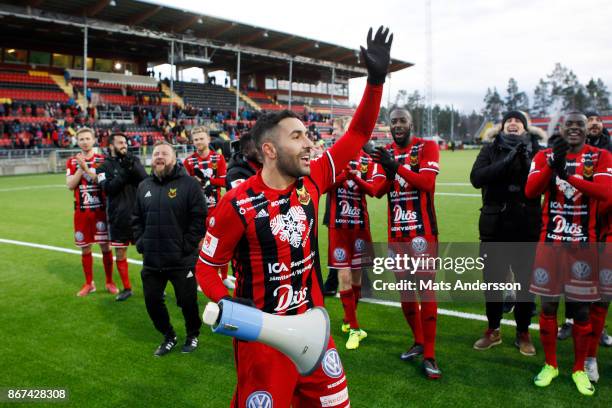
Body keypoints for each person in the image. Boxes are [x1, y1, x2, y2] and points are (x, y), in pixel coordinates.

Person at [195, 26, 391, 407]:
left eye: (308, 135)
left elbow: (359, 132)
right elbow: (206, 267)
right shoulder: (236, 203)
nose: (310, 143)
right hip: (264, 341)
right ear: (270, 149)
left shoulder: (313, 180)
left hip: (314, 330)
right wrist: (228, 303)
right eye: (298, 137)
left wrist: (376, 81)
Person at [525, 111, 612, 396]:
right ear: (561, 129)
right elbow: (530, 191)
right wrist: (553, 166)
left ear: (587, 131)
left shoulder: (600, 157)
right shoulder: (544, 156)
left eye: (580, 125)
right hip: (549, 244)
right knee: (548, 307)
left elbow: (607, 193)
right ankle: (550, 364)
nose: (574, 128)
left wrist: (568, 176)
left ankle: (578, 368)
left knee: (583, 310)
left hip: (583, 247)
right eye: (569, 125)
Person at [371, 107, 442, 379]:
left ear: (411, 124)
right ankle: (418, 340)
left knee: (426, 291)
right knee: (405, 292)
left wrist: (395, 166)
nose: (398, 125)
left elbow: (426, 183)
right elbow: (378, 191)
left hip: (423, 234)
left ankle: (431, 355)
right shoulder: (386, 152)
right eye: (394, 122)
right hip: (397, 234)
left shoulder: (427, 147)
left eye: (402, 121)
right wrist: (387, 168)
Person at [470, 111, 542, 356]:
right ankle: (493, 330)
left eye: (518, 121)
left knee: (525, 286)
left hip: (526, 228)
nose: (513, 123)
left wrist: (525, 159)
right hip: (495, 228)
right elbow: (476, 178)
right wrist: (506, 160)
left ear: (525, 128)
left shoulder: (537, 149)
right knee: (492, 283)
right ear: (501, 128)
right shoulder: (490, 150)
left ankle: (523, 332)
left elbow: (543, 180)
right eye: (509, 121)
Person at [132, 141, 206, 357]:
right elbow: (136, 218)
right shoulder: (144, 186)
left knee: (187, 302)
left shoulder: (190, 184)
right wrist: (141, 242)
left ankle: (192, 335)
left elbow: (199, 218)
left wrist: (187, 245)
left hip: (181, 259)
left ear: (174, 158)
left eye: (164, 153)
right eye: (156, 153)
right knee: (152, 302)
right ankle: (169, 335)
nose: (159, 156)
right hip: (152, 260)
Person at [558, 110, 611, 341]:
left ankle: (600, 328)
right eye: (590, 121)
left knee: (602, 281)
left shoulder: (608, 149)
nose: (594, 124)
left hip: (605, 221)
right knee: (577, 275)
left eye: (597, 120)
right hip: (578, 221)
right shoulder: (570, 148)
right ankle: (570, 320)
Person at [325, 149, 385, 350]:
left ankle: (347, 319)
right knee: (344, 276)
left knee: (357, 278)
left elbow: (375, 190)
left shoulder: (368, 161)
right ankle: (354, 328)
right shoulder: (334, 159)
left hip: (360, 226)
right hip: (338, 227)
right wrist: (343, 175)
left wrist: (355, 178)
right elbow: (324, 186)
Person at [95, 133, 147, 301]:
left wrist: (133, 167)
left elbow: (145, 180)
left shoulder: (134, 160)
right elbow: (108, 189)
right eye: (120, 142)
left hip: (139, 215)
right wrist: (124, 172)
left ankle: (153, 287)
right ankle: (127, 288)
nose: (124, 144)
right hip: (118, 217)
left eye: (125, 142)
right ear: (111, 146)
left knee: (148, 252)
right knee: (120, 252)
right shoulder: (102, 167)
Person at [66, 127, 116, 296]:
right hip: (81, 213)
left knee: (105, 247)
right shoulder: (72, 162)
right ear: (77, 142)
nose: (85, 142)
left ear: (93, 140)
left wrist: (87, 168)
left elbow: (105, 183)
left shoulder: (103, 160)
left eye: (88, 138)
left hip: (101, 212)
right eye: (81, 139)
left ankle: (109, 282)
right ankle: (89, 284)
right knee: (85, 248)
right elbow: (70, 185)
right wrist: (81, 168)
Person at [183, 126, 233, 289]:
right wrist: (194, 184)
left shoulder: (218, 159)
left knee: (220, 243)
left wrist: (209, 182)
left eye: (201, 138)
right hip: (197, 210)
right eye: (196, 139)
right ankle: (201, 278)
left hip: (216, 208)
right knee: (201, 246)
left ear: (208, 140)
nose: (198, 142)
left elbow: (224, 181)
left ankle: (224, 277)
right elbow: (187, 186)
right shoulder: (188, 161)